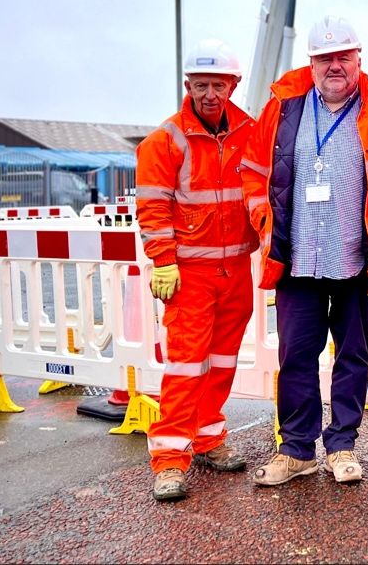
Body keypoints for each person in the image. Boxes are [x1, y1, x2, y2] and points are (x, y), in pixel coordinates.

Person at [239, 16, 368, 487]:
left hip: (355, 258)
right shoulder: (281, 110)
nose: (335, 66)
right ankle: (297, 450)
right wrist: (265, 221)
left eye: (344, 56)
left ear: (358, 58)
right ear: (311, 64)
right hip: (297, 256)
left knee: (352, 355)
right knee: (297, 357)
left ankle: (342, 445)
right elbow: (253, 170)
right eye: (325, 58)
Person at [136, 38, 258, 502]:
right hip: (189, 274)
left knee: (222, 361)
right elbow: (153, 206)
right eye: (202, 85)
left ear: (233, 85)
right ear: (188, 85)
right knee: (186, 366)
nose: (210, 94)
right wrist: (163, 261)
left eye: (219, 85)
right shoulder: (166, 141)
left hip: (234, 269)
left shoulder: (247, 130)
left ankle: (207, 436)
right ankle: (169, 459)